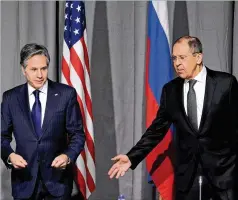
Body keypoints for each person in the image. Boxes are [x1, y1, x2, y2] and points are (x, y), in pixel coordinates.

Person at [108, 36, 238, 200]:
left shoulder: (225, 83)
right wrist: (132, 157)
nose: (177, 63)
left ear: (198, 57)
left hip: (224, 175)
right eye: (174, 58)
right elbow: (157, 130)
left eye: (182, 57)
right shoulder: (170, 90)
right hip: (187, 178)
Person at [1, 43, 85, 200]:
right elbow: (1, 137)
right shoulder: (10, 98)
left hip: (58, 183)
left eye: (44, 68)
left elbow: (78, 134)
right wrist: (10, 155)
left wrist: (67, 156)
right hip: (24, 183)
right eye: (34, 69)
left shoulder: (66, 95)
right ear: (23, 70)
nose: (40, 74)